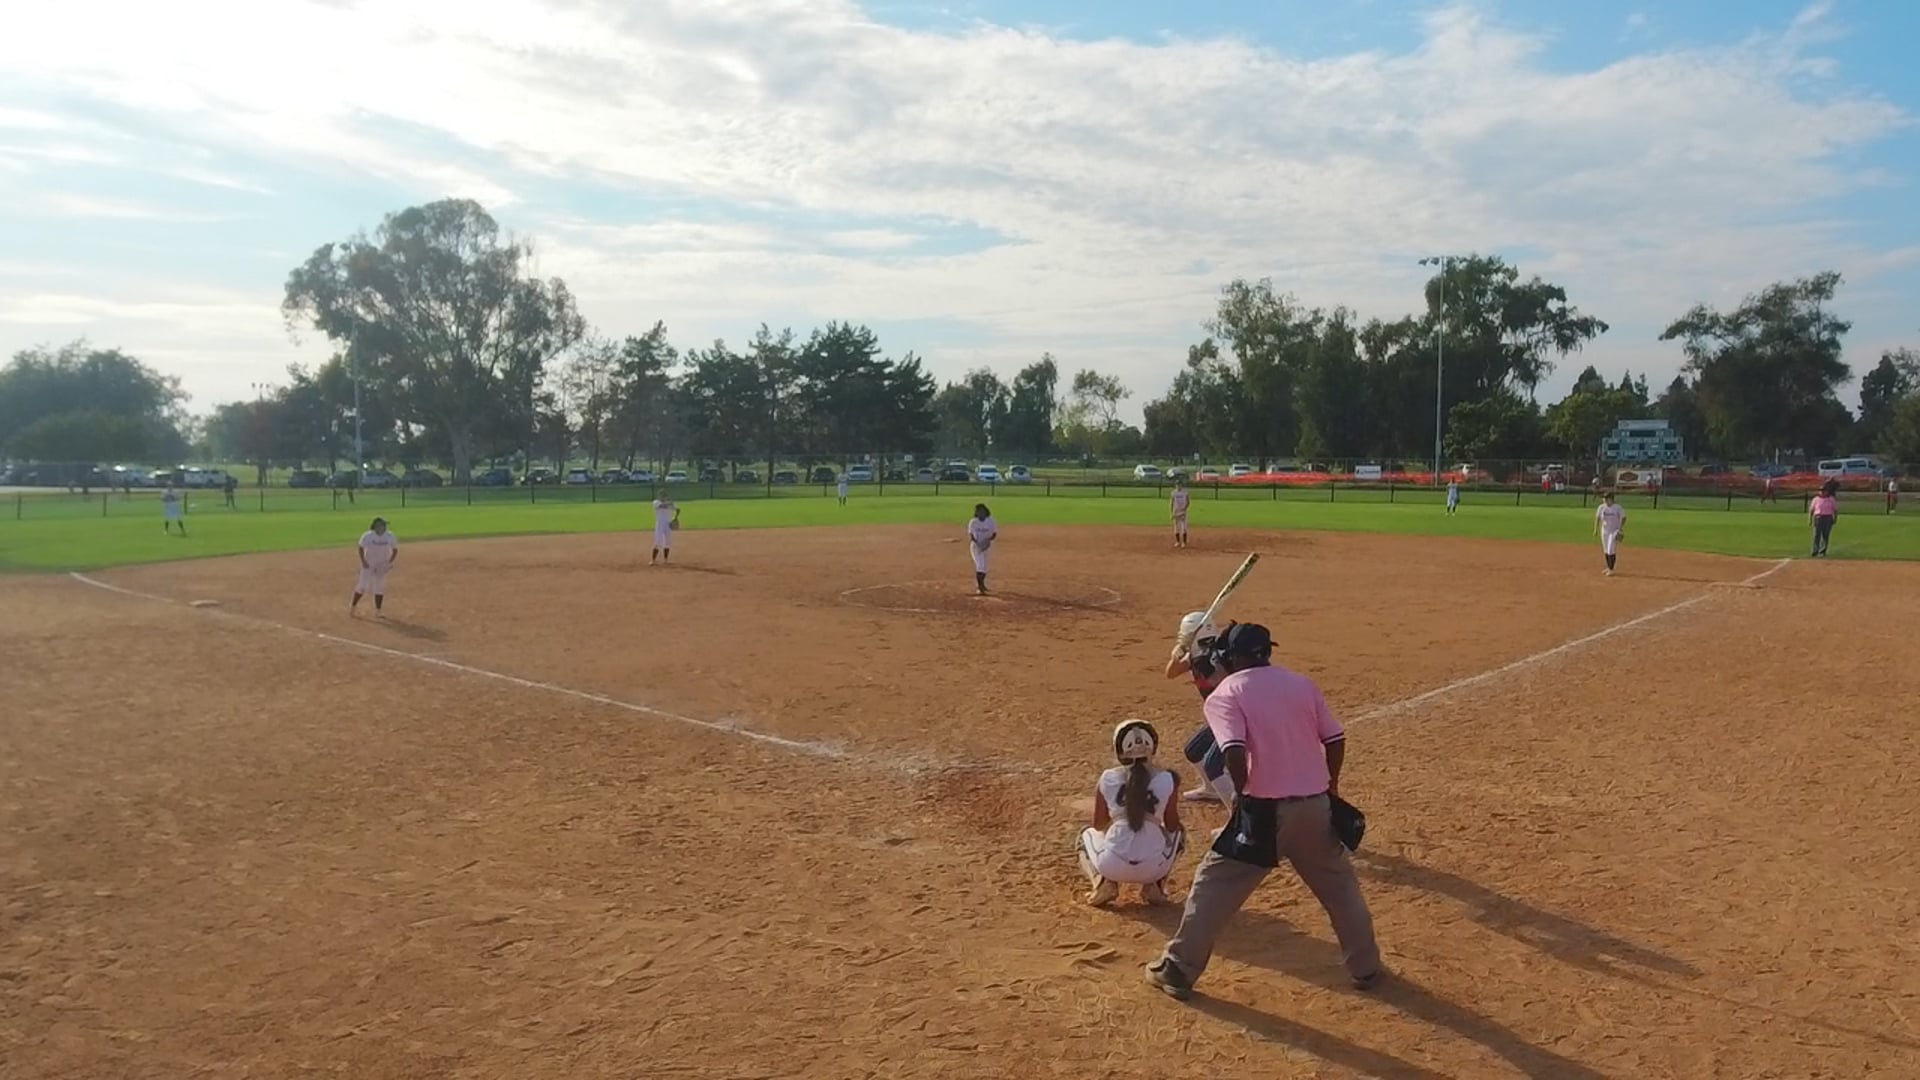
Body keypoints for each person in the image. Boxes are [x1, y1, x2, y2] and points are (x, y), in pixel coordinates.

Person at [1146, 623, 1381, 1000]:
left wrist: (1244, 798)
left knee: (1213, 888)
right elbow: (1335, 738)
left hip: (1264, 812)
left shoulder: (1225, 694)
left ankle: (1177, 969)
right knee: (1340, 890)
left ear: (1228, 657)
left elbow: (1233, 752)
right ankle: (1366, 967)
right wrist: (1331, 786)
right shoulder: (1302, 684)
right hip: (1315, 806)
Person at [1077, 719, 1185, 907]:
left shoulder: (1108, 778)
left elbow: (1099, 824)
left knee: (1084, 835)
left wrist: (1121, 817)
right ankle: (1155, 886)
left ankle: (1102, 883)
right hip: (1153, 868)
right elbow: (1172, 826)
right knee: (1179, 833)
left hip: (1111, 865)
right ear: (1153, 747)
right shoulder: (1167, 778)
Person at [1163, 611, 1235, 805]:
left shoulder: (1219, 657)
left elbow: (1212, 671)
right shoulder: (1196, 656)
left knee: (1215, 766)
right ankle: (1211, 789)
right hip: (1217, 717)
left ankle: (1237, 810)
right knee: (1193, 751)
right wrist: (1177, 655)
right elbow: (1171, 673)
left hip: (1233, 719)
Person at [351, 517, 398, 617]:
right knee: (362, 586)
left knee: (379, 588)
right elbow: (361, 548)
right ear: (376, 526)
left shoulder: (390, 536)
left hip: (381, 565)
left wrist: (389, 563)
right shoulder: (368, 536)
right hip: (369, 564)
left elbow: (395, 550)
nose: (384, 527)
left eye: (384, 525)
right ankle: (353, 607)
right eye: (382, 525)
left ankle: (378, 611)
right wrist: (363, 561)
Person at [1594, 491, 1626, 576]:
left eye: (1606, 498)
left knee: (1610, 549)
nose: (1604, 500)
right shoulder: (1601, 507)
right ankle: (1608, 567)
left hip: (1614, 531)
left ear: (1611, 499)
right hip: (1604, 531)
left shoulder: (1617, 507)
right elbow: (1597, 518)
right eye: (1604, 498)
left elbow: (1623, 517)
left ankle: (1611, 569)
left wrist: (1620, 528)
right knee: (1605, 549)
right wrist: (1595, 529)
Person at [967, 503, 996, 595]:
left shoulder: (990, 521)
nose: (979, 513)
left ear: (985, 511)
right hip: (976, 547)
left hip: (987, 546)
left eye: (981, 511)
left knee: (985, 567)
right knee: (980, 565)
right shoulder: (973, 522)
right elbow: (971, 535)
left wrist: (987, 542)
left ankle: (982, 584)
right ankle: (979, 588)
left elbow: (994, 534)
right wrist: (978, 544)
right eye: (978, 511)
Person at [1809, 481, 1838, 557]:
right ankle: (1815, 550)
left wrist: (1835, 519)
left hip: (1828, 518)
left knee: (1825, 535)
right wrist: (1810, 519)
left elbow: (1835, 510)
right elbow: (1811, 510)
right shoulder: (1816, 499)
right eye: (1820, 490)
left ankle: (1822, 550)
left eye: (1823, 490)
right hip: (1818, 517)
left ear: (1827, 491)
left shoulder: (1831, 499)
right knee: (1816, 535)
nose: (1822, 492)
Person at [651, 492, 680, 566]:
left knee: (667, 542)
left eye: (664, 496)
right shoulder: (656, 502)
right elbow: (661, 506)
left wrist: (675, 517)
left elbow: (678, 509)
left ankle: (666, 560)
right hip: (659, 524)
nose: (663, 497)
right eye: (661, 496)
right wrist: (670, 504)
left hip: (668, 524)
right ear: (659, 496)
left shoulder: (670, 503)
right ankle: (653, 560)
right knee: (658, 541)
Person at [1169, 479, 1191, 549]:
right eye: (1177, 484)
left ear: (1181, 485)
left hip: (1183, 511)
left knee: (1184, 527)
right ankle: (1178, 542)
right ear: (1175, 485)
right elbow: (1171, 503)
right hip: (1176, 511)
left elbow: (1188, 502)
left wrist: (1184, 508)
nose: (1178, 486)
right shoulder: (1173, 493)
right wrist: (1171, 513)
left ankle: (1184, 542)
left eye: (1179, 484)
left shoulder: (1185, 492)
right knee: (1176, 527)